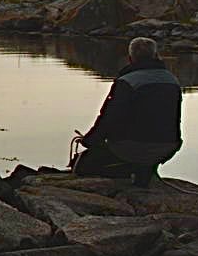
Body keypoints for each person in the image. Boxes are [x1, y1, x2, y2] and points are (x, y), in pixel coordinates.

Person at [72, 37, 182, 187]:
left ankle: (130, 171)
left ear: (130, 59)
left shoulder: (127, 82)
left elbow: (108, 119)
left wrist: (89, 141)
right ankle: (144, 170)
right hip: (167, 147)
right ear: (156, 56)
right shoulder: (172, 81)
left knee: (83, 167)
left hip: (130, 147)